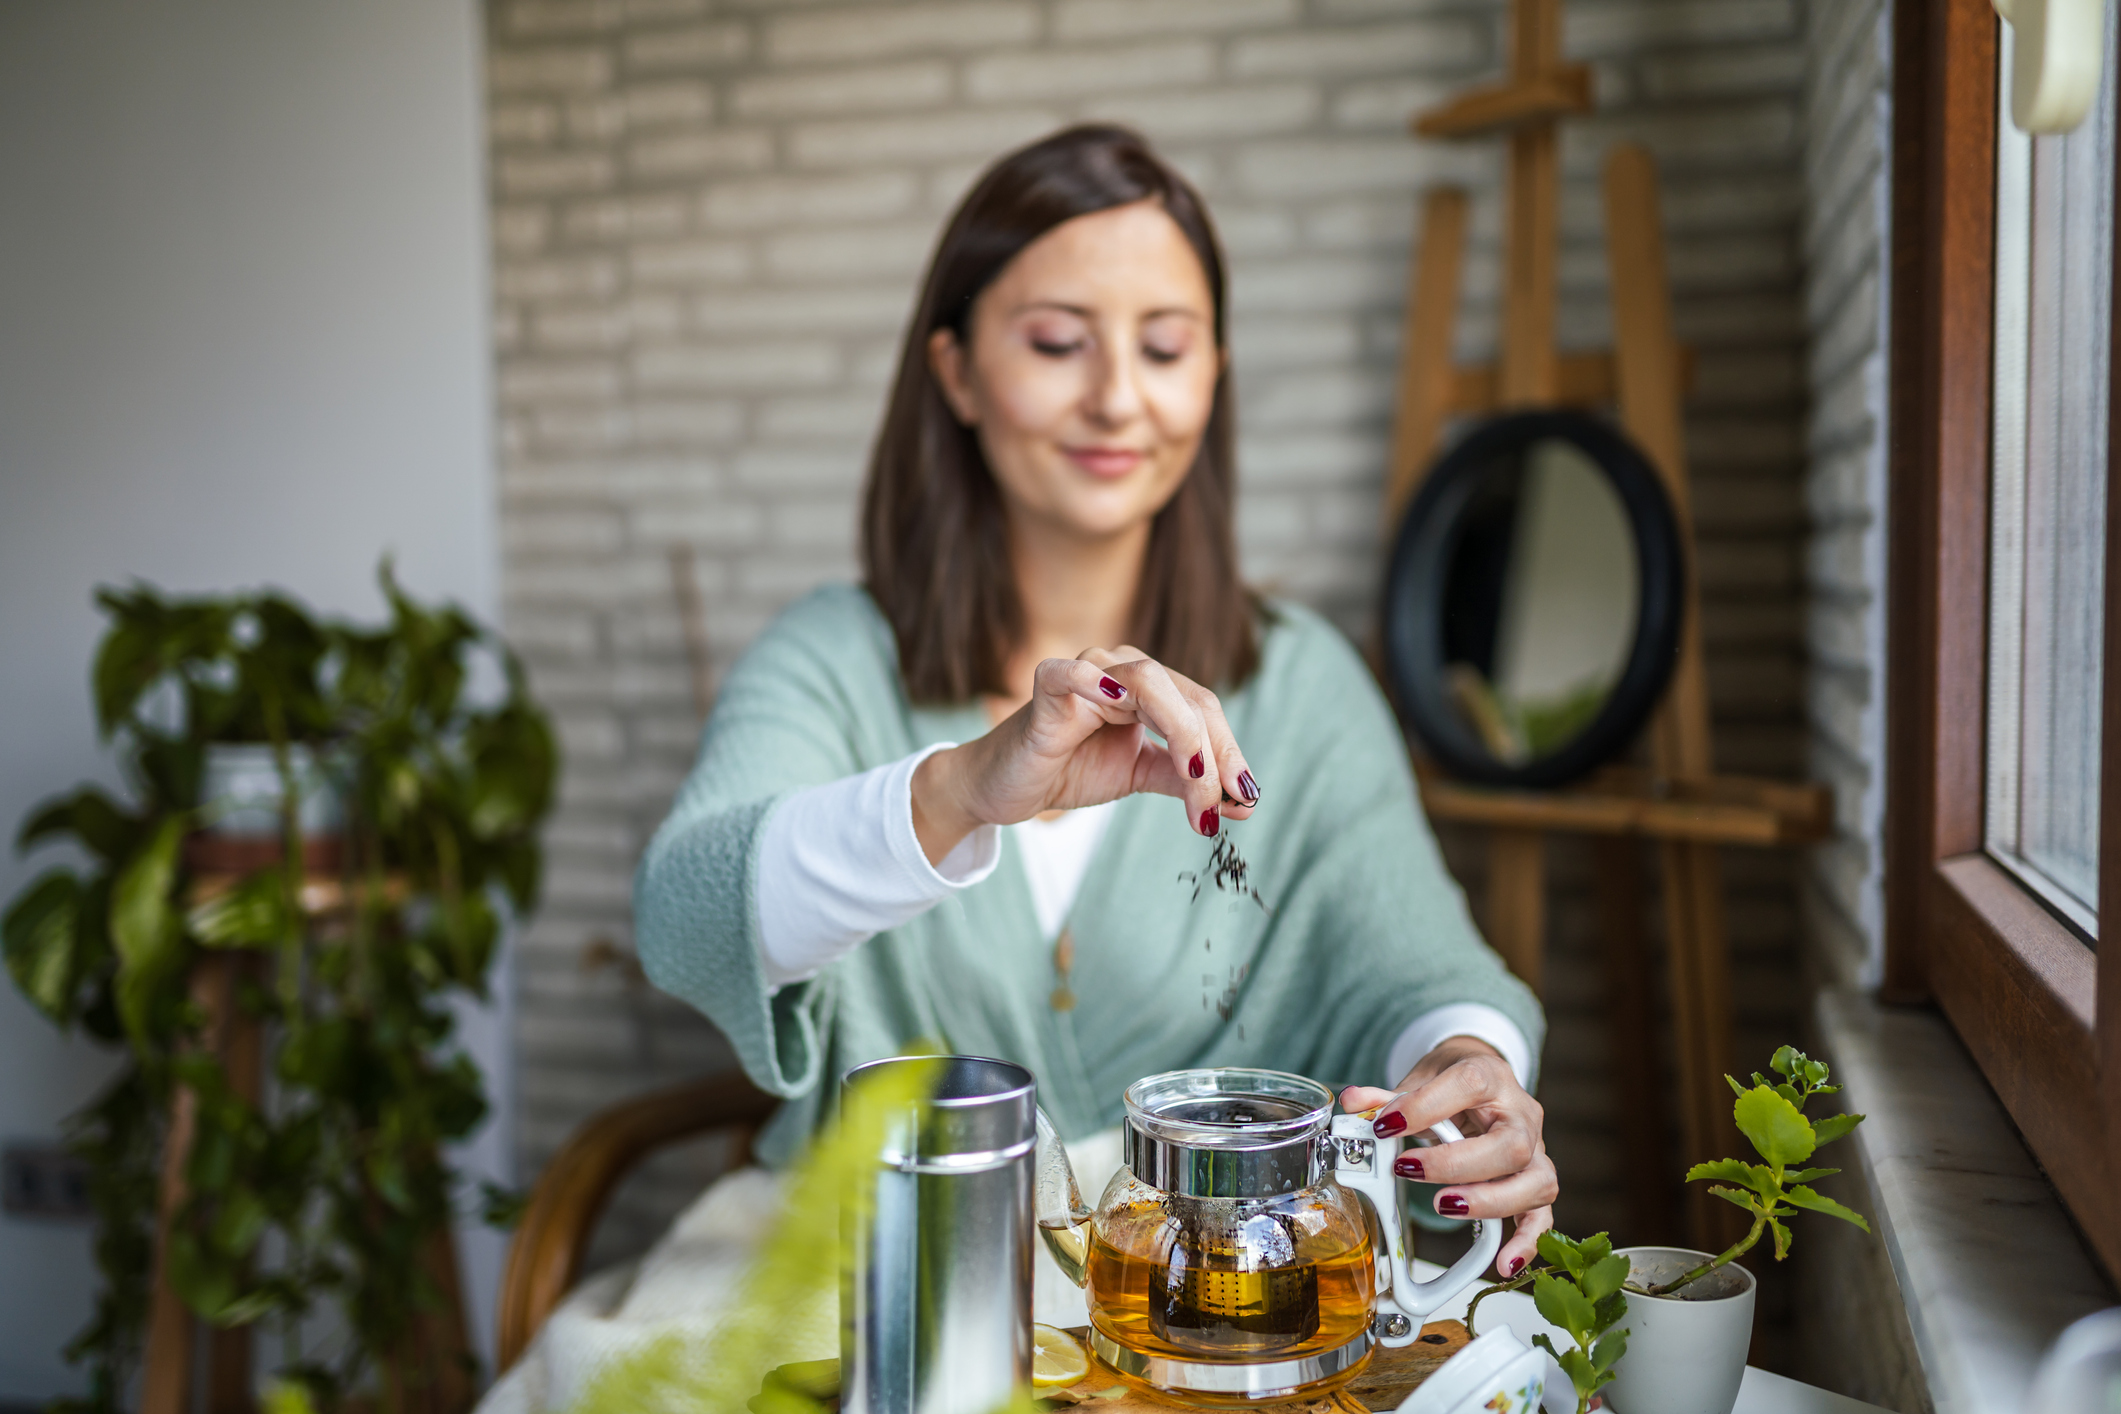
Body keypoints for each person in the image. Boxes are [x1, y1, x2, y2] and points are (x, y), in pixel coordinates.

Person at [634, 124, 1557, 1286]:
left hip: (1204, 1311)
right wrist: (964, 789)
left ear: (1214, 373)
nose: (1120, 398)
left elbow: (1417, 963)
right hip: (868, 1292)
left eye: (1166, 347)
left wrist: (1470, 1066)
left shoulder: (1306, 682)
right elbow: (682, 915)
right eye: (1060, 343)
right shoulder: (834, 656)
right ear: (959, 372)